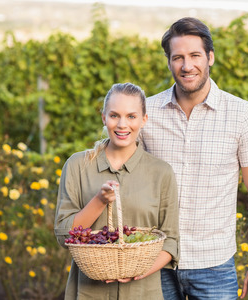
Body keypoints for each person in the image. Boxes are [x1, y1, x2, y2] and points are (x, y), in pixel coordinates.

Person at [139, 17, 248, 300]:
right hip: (155, 260)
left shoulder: (241, 115)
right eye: (178, 58)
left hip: (214, 264)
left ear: (210, 57)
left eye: (195, 55)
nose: (187, 66)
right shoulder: (146, 113)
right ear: (169, 61)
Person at [54, 83, 179, 300]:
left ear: (144, 120)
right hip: (87, 293)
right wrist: (99, 200)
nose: (122, 125)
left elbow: (171, 242)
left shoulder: (161, 173)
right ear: (104, 117)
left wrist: (135, 273)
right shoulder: (77, 165)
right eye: (114, 115)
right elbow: (64, 234)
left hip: (143, 293)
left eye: (131, 116)